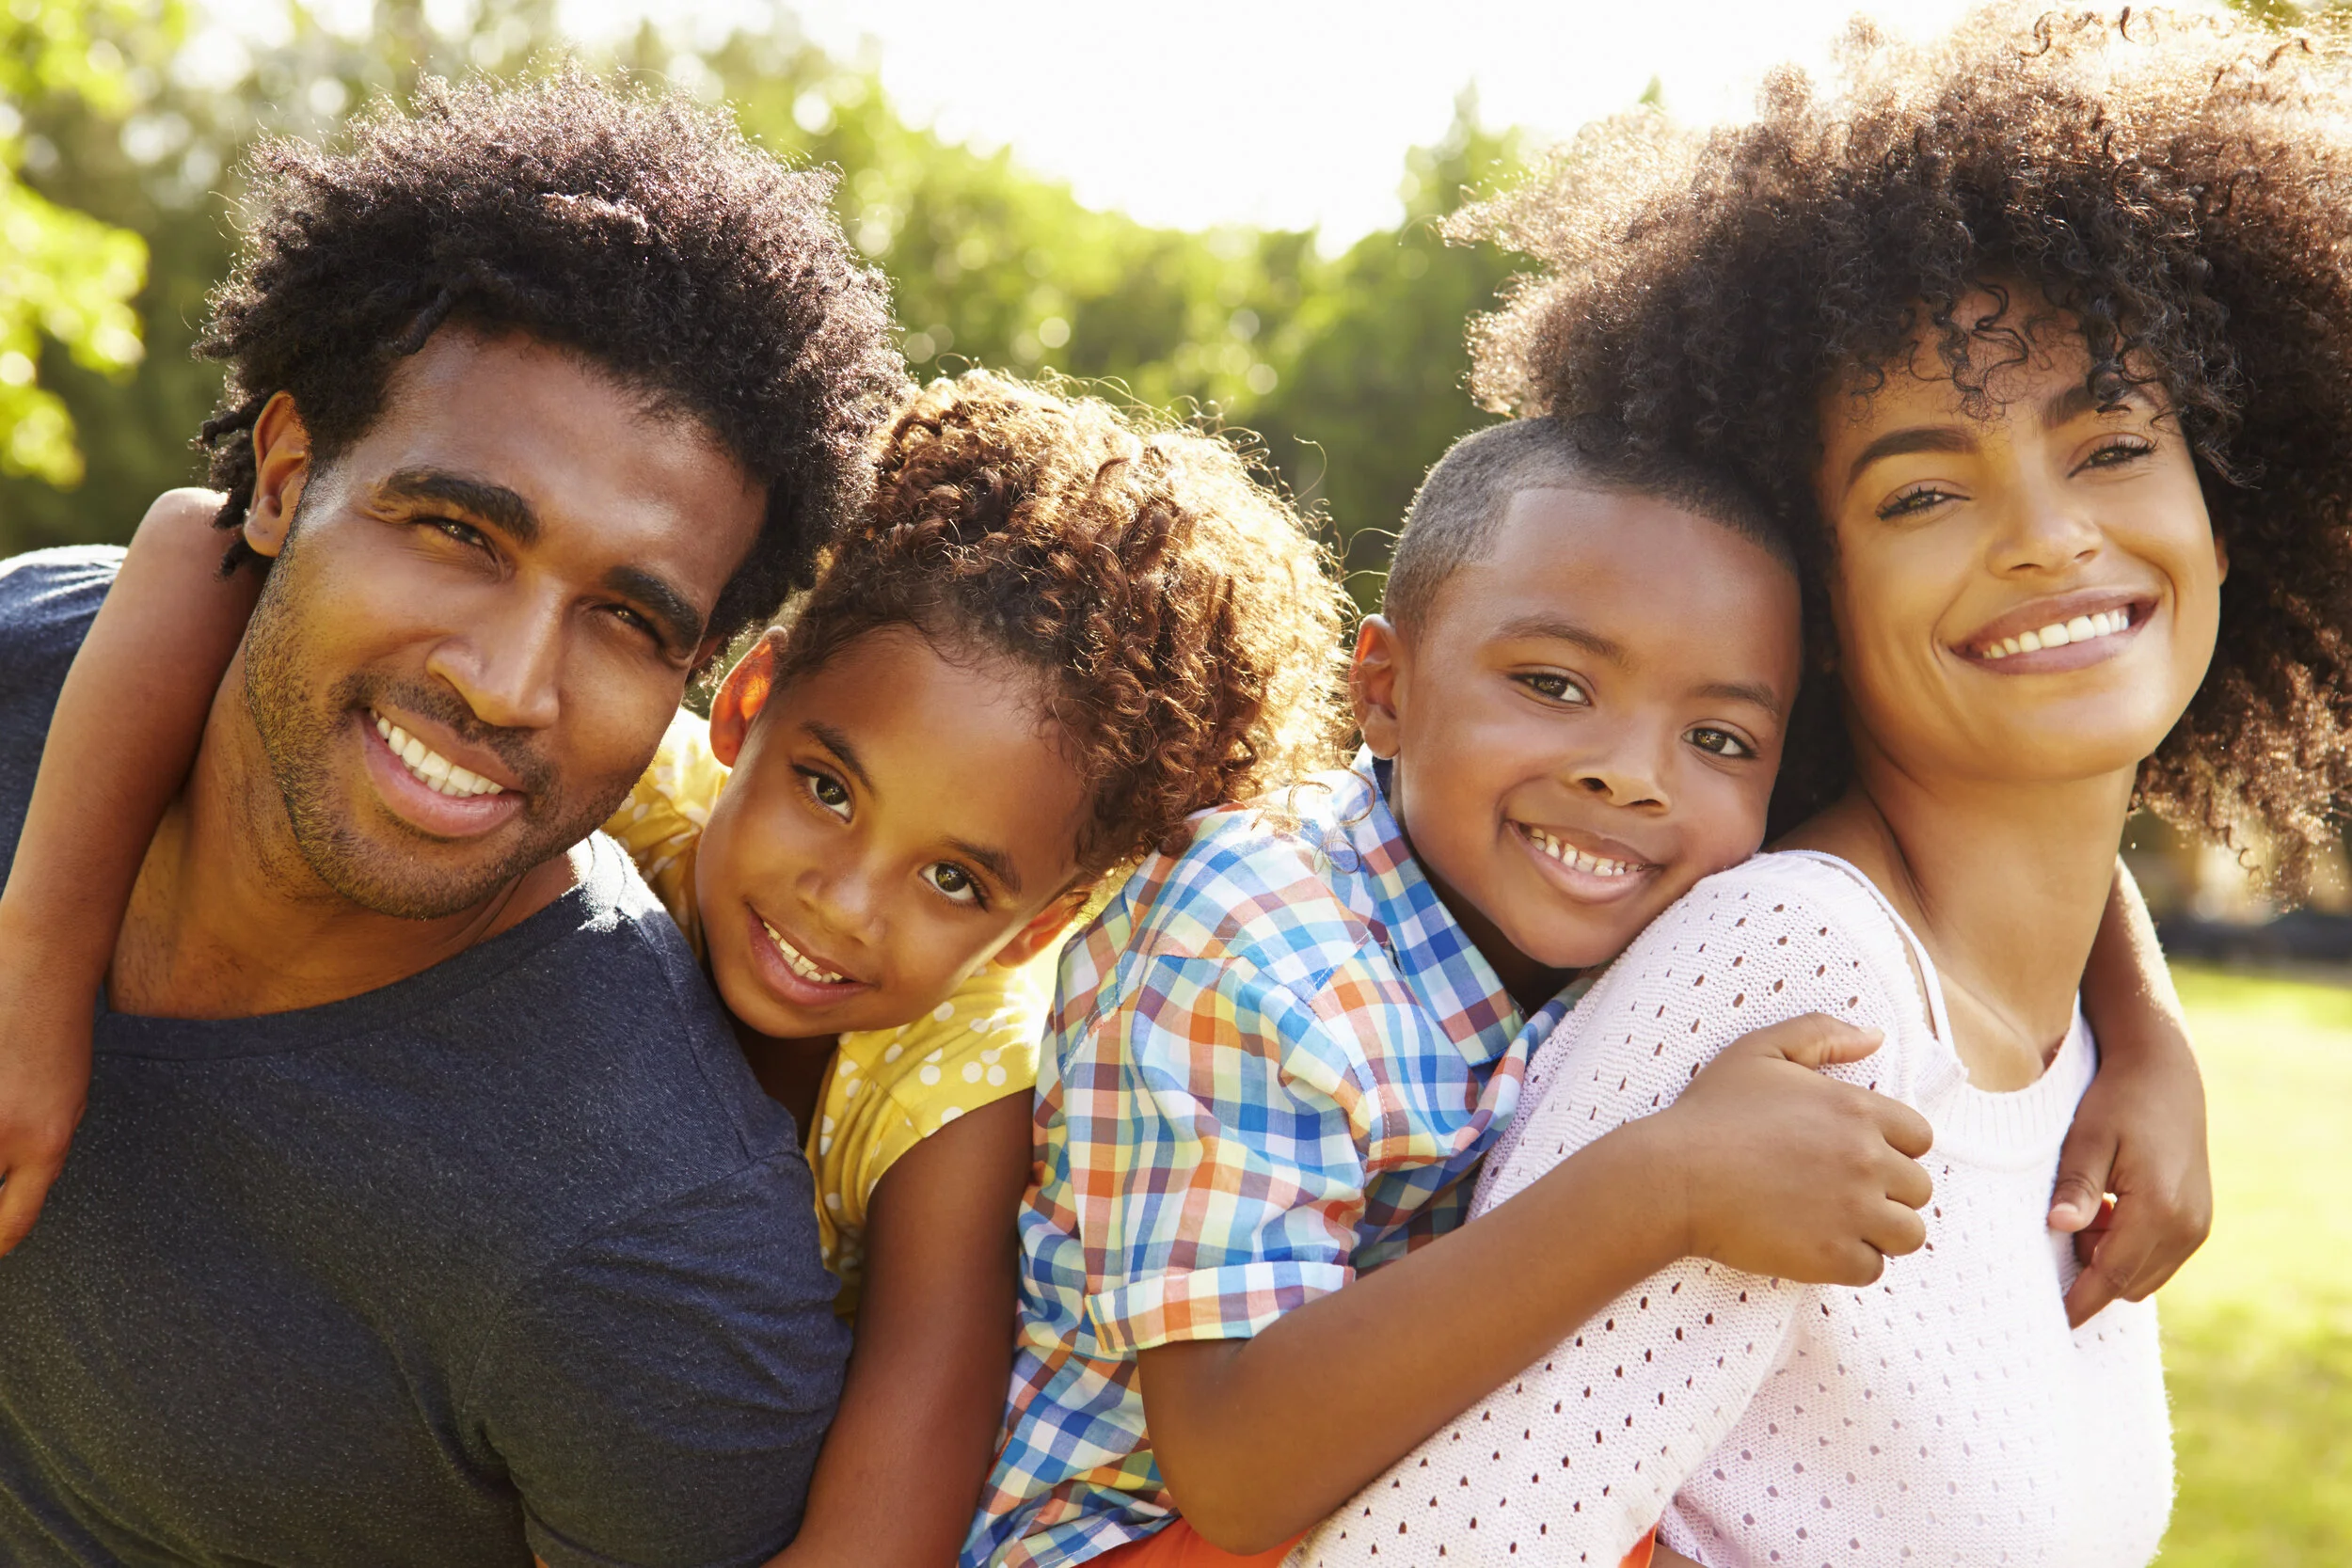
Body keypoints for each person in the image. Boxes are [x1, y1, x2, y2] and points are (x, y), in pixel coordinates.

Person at [1287, 8, 2352, 1563]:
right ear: (1812, 600)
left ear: (2225, 493)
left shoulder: (2056, 1017)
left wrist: (2148, 1023)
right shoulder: (1806, 972)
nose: (2049, 536)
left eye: (2113, 443)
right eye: (1923, 488)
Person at [25, 367, 1351, 1568]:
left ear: (1032, 926)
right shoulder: (632, 773)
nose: (843, 900)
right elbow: (190, 543)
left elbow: (882, 1537)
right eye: (829, 788)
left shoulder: (961, 1091)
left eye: (956, 878)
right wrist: (37, 966)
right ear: (747, 700)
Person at [968, 411, 2212, 1568]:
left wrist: (2146, 1028)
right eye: (1553, 685)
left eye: (1717, 738)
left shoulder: (1642, 893)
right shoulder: (1254, 932)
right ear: (1385, 689)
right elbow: (1235, 1465)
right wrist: (1664, 1184)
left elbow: (1985, 829)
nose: (1631, 776)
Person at [0, 70, 906, 1566]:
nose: (508, 685)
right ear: (287, 478)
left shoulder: (648, 1252)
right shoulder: (38, 661)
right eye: (458, 531)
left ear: (695, 674)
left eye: (625, 617)